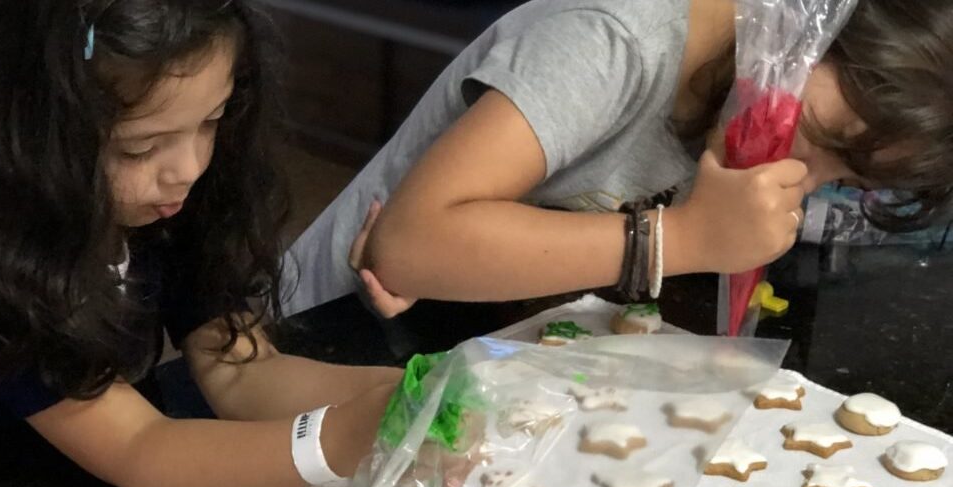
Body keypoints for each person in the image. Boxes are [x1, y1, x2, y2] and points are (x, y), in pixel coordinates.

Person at [0, 0, 399, 487]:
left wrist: (407, 399)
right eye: (139, 149)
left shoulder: (163, 208)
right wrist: (335, 441)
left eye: (212, 120)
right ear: (26, 137)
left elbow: (241, 368)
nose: (187, 169)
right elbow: (141, 446)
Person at [287, 0, 953, 318]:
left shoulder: (745, 97)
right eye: (823, 140)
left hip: (469, 336)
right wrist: (683, 239)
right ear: (810, 30)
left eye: (846, 181)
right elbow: (406, 246)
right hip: (309, 347)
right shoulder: (618, 38)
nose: (804, 182)